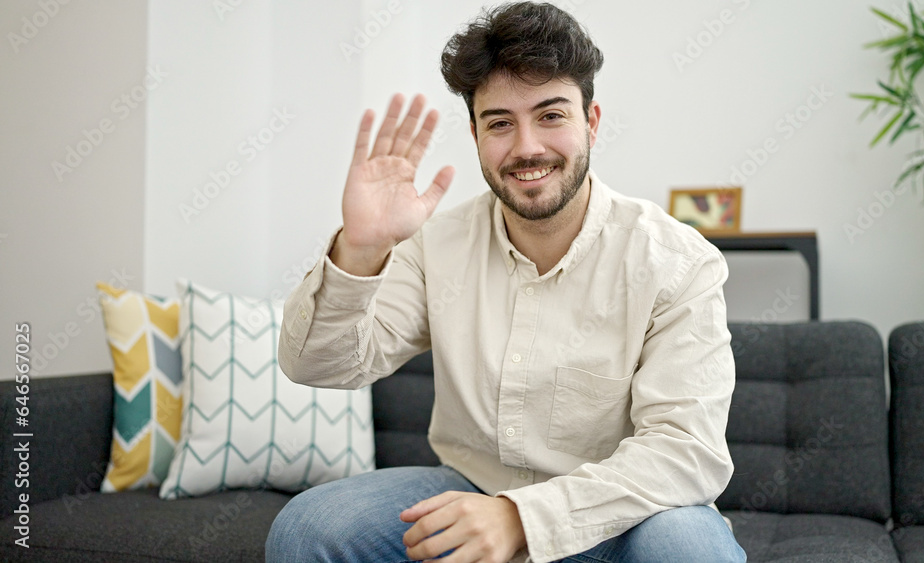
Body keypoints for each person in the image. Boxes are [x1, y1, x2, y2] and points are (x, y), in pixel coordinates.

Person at [266, 2, 746, 562]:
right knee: (308, 529)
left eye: (551, 115)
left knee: (688, 549)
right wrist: (362, 248)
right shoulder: (437, 245)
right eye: (500, 123)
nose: (526, 148)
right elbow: (317, 365)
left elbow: (685, 452)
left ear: (590, 122)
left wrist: (522, 518)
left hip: (622, 517)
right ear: (474, 135)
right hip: (472, 488)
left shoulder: (677, 261)